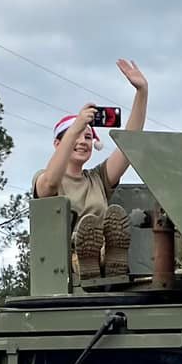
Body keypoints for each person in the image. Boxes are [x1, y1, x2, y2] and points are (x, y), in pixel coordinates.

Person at [33, 59, 150, 279]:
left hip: (106, 263)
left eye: (88, 137)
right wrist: (77, 125)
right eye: (76, 136)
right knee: (84, 241)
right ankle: (87, 258)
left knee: (108, 229)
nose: (83, 141)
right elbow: (49, 184)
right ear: (58, 144)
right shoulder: (45, 178)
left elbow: (129, 144)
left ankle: (110, 257)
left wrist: (142, 92)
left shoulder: (97, 179)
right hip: (65, 268)